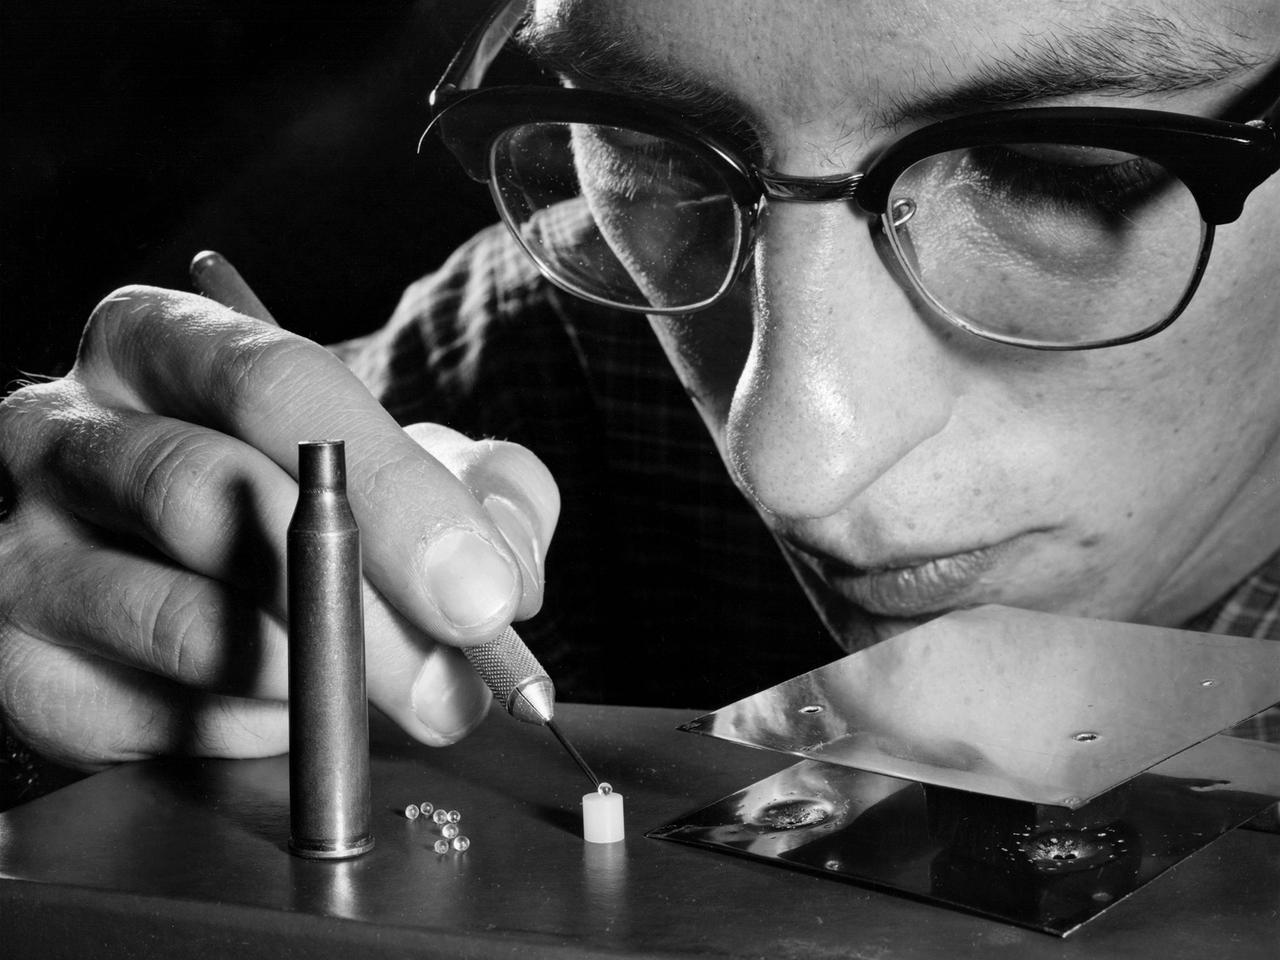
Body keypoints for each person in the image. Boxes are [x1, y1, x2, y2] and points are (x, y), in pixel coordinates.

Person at [1, 0, 1278, 802]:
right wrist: (65, 625)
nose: (788, 463)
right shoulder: (550, 344)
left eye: (1057, 173)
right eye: (655, 145)